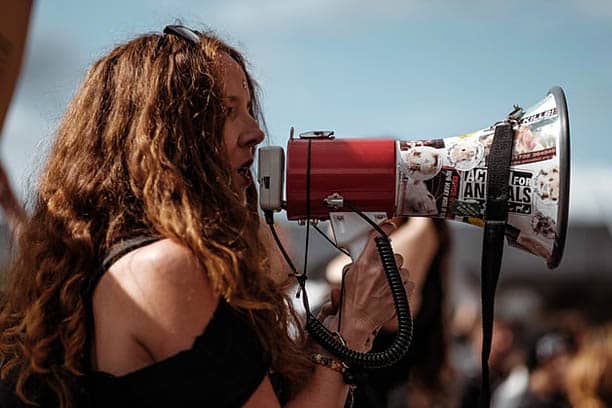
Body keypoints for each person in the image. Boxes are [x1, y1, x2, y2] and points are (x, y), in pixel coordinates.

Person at [0, 25, 413, 407]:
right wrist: (353, 328)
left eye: (249, 108)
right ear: (163, 137)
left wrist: (325, 343)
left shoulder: (114, 262)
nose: (255, 131)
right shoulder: (165, 269)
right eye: (226, 109)